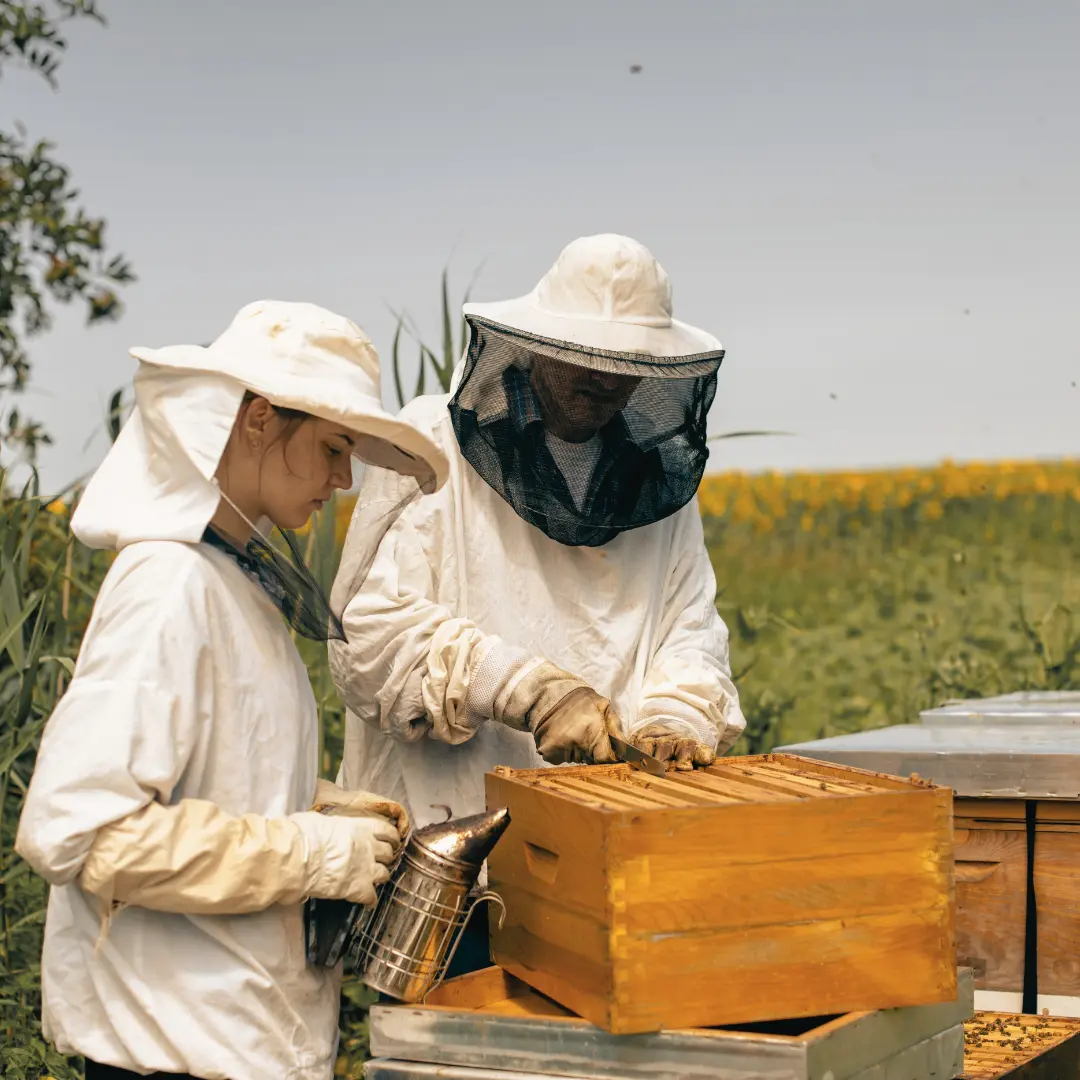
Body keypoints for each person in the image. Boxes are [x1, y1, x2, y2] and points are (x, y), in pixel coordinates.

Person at [15, 301, 448, 1080]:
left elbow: (205, 778)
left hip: (237, 1038)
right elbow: (82, 833)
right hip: (170, 1051)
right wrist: (311, 852)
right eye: (332, 447)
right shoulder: (168, 582)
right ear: (255, 420)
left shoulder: (232, 577)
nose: (344, 479)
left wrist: (319, 805)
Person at [329, 234, 746, 975]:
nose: (607, 381)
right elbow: (368, 643)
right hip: (449, 859)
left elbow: (691, 629)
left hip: (607, 859)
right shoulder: (432, 444)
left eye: (629, 366)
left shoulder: (656, 485)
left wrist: (676, 715)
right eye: (588, 357)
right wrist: (529, 690)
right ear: (536, 345)